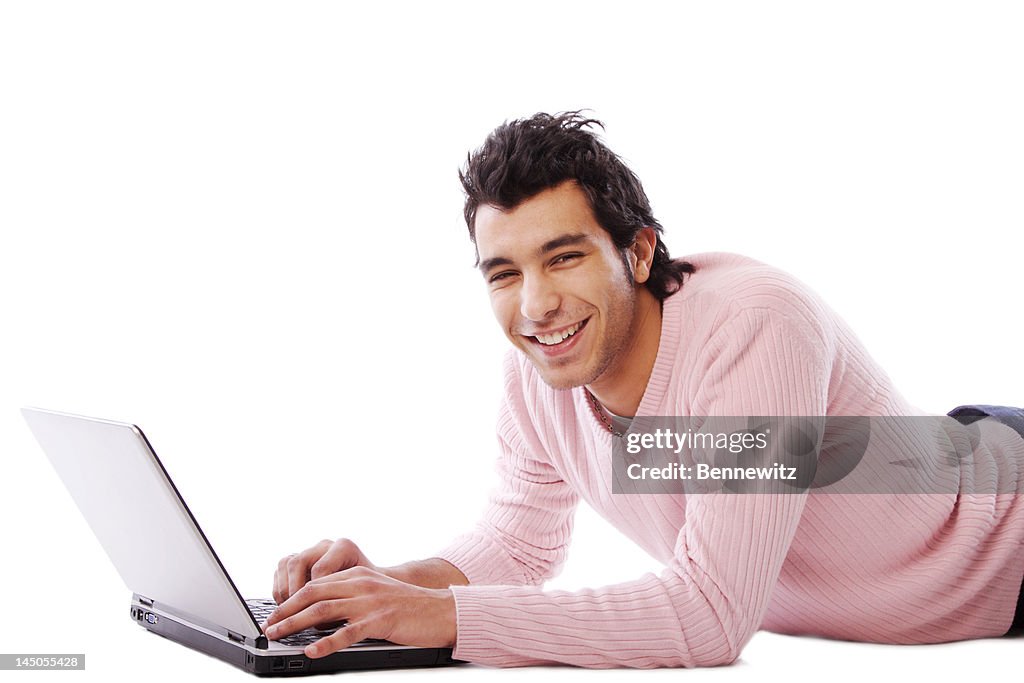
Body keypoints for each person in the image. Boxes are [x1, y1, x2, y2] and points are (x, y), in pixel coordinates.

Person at [262, 112, 1024, 668]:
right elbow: (516, 542)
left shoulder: (754, 327)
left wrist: (447, 617)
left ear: (638, 251)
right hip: (950, 455)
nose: (534, 306)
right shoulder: (540, 373)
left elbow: (711, 614)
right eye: (505, 273)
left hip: (1008, 527)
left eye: (563, 258)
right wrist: (380, 588)